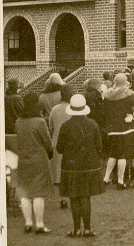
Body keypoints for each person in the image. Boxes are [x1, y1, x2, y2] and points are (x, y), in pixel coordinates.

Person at [56, 94, 105, 237]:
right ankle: (88, 229)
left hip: (70, 167)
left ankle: (76, 229)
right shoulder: (93, 124)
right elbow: (99, 147)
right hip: (89, 166)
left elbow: (59, 148)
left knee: (74, 197)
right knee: (85, 197)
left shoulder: (66, 126)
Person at [10, 93, 54, 234]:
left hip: (22, 159)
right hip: (39, 159)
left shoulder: (18, 121)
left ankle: (28, 223)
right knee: (38, 193)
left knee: (24, 192)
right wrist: (50, 150)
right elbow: (47, 142)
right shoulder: (39, 122)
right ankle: (40, 224)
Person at [102, 74, 134, 189]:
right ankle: (120, 181)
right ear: (125, 82)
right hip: (125, 128)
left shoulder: (108, 95)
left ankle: (105, 178)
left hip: (112, 129)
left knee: (113, 154)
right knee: (123, 155)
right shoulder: (128, 95)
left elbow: (103, 112)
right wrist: (132, 115)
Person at [48, 84, 75, 209]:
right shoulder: (75, 109)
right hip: (73, 145)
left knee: (58, 174)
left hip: (57, 144)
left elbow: (51, 127)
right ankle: (72, 196)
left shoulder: (54, 109)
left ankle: (62, 198)